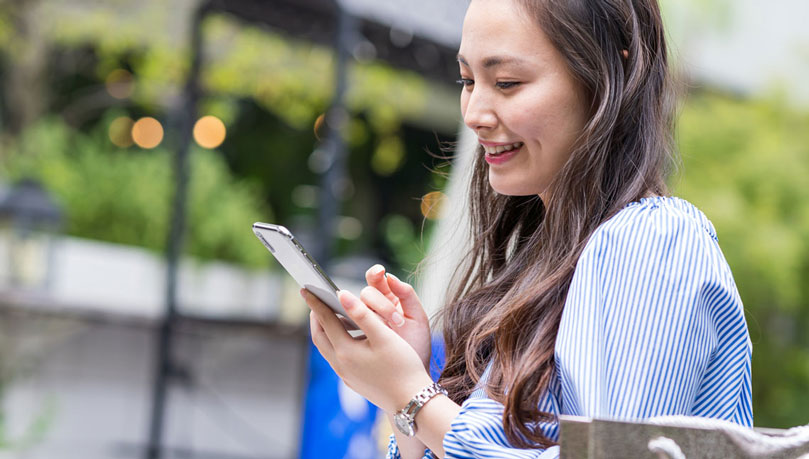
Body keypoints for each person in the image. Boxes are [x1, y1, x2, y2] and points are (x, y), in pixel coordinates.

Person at [301, 0, 753, 457]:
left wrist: (414, 397)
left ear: (605, 77)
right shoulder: (545, 262)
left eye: (507, 83)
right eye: (468, 81)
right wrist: (411, 382)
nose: (475, 111)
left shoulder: (653, 240)